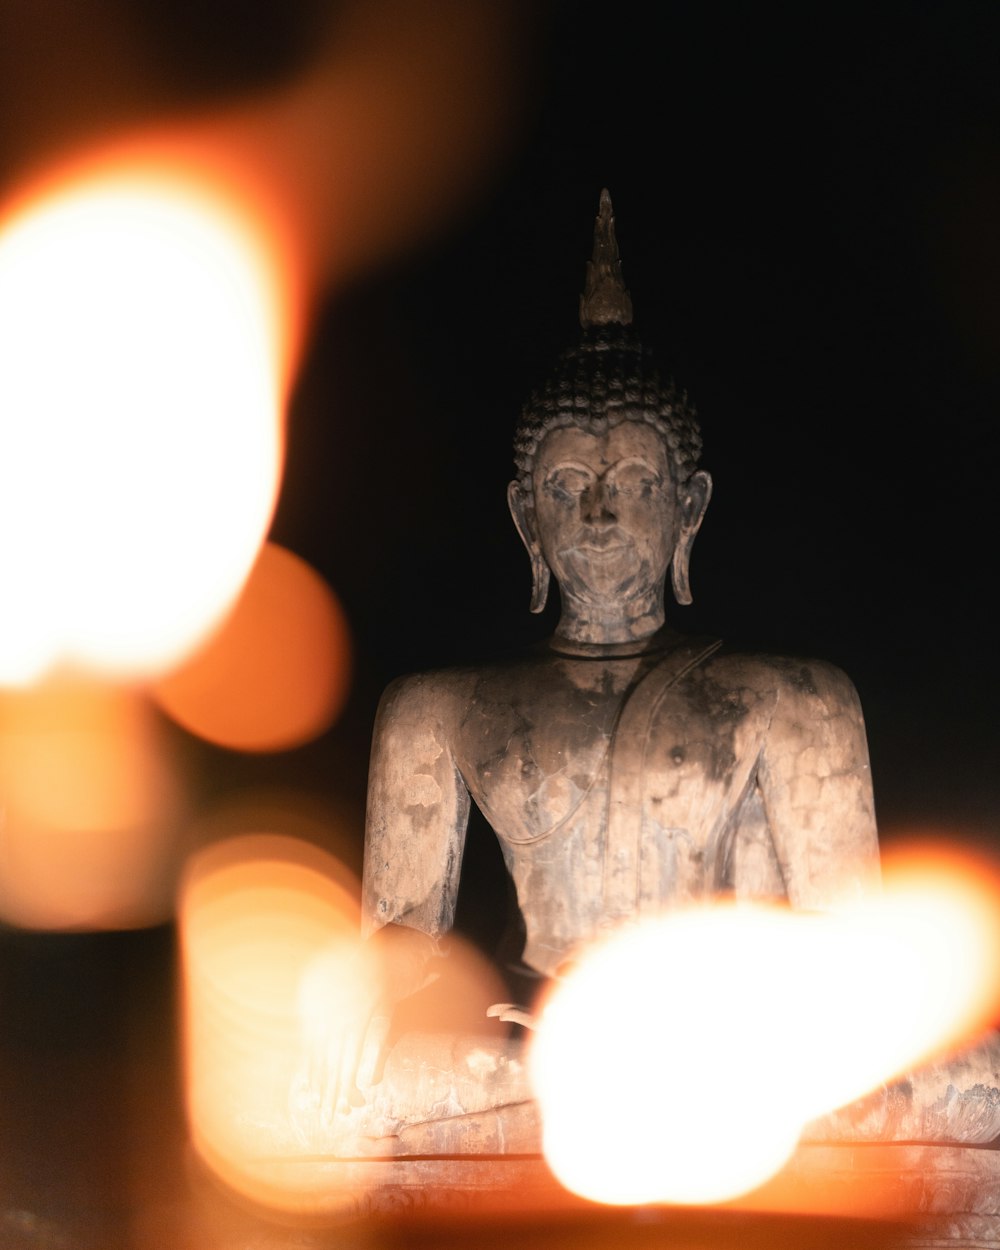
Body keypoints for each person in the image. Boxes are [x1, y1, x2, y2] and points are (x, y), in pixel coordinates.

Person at [306, 191, 881, 1138]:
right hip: (532, 1043)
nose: (602, 518)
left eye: (635, 486)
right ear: (526, 515)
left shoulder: (795, 701)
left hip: (724, 1040)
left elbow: (851, 956)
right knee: (319, 1082)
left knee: (951, 1071)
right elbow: (402, 930)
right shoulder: (438, 712)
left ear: (689, 508)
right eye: (569, 488)